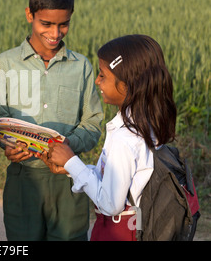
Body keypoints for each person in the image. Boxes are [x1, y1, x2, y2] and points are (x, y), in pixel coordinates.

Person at [0, 0, 103, 241]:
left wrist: (67, 146)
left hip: (69, 178)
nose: (55, 33)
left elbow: (92, 123)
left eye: (63, 25)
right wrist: (7, 144)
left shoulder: (81, 67)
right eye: (47, 24)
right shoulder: (6, 64)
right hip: (23, 179)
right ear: (29, 14)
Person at [45, 34, 177, 241]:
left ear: (126, 85)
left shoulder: (125, 138)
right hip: (139, 227)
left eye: (103, 75)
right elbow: (120, 183)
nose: (97, 80)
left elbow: (110, 204)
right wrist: (73, 168)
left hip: (118, 233)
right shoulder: (147, 123)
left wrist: (71, 161)